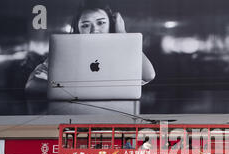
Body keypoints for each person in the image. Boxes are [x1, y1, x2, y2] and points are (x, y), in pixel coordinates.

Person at [25, 2, 156, 95]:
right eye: (86, 25)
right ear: (78, 29)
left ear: (111, 25)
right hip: (72, 116)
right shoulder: (64, 53)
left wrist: (123, 34)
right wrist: (77, 90)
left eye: (101, 23)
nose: (94, 30)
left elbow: (148, 75)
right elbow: (32, 85)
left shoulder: (122, 53)